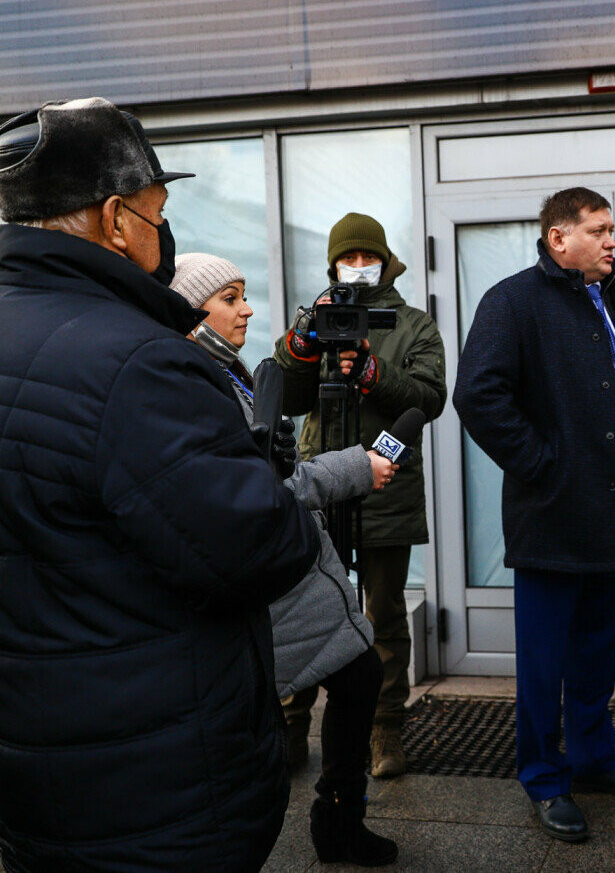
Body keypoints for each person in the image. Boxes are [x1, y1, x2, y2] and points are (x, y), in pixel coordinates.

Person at [0, 97, 323, 871]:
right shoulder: (136, 359)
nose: (161, 230)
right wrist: (265, 476)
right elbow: (261, 548)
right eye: (156, 209)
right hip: (154, 789)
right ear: (114, 219)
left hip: (35, 769)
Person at [454, 186, 615, 843]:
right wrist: (543, 465)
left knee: (596, 650)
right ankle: (544, 777)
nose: (613, 240)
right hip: (553, 516)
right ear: (560, 239)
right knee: (543, 662)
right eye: (600, 228)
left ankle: (592, 758)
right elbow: (476, 393)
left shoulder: (613, 295)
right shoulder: (513, 300)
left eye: (612, 228)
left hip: (614, 512)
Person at [171, 252, 400, 866]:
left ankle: (337, 818)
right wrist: (355, 467)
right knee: (305, 697)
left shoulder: (228, 370)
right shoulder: (195, 381)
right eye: (230, 298)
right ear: (192, 310)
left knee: (358, 675)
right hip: (269, 579)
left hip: (294, 574)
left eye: (244, 294)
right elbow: (262, 489)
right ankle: (320, 823)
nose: (246, 308)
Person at [275, 211, 446, 779]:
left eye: (365, 256)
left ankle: (385, 733)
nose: (357, 266)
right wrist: (303, 345)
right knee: (302, 610)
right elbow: (287, 397)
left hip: (384, 488)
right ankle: (291, 729)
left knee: (385, 616)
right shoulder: (319, 317)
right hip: (320, 485)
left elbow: (430, 397)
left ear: (385, 259)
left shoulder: (414, 324)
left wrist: (373, 371)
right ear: (332, 266)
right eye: (347, 259)